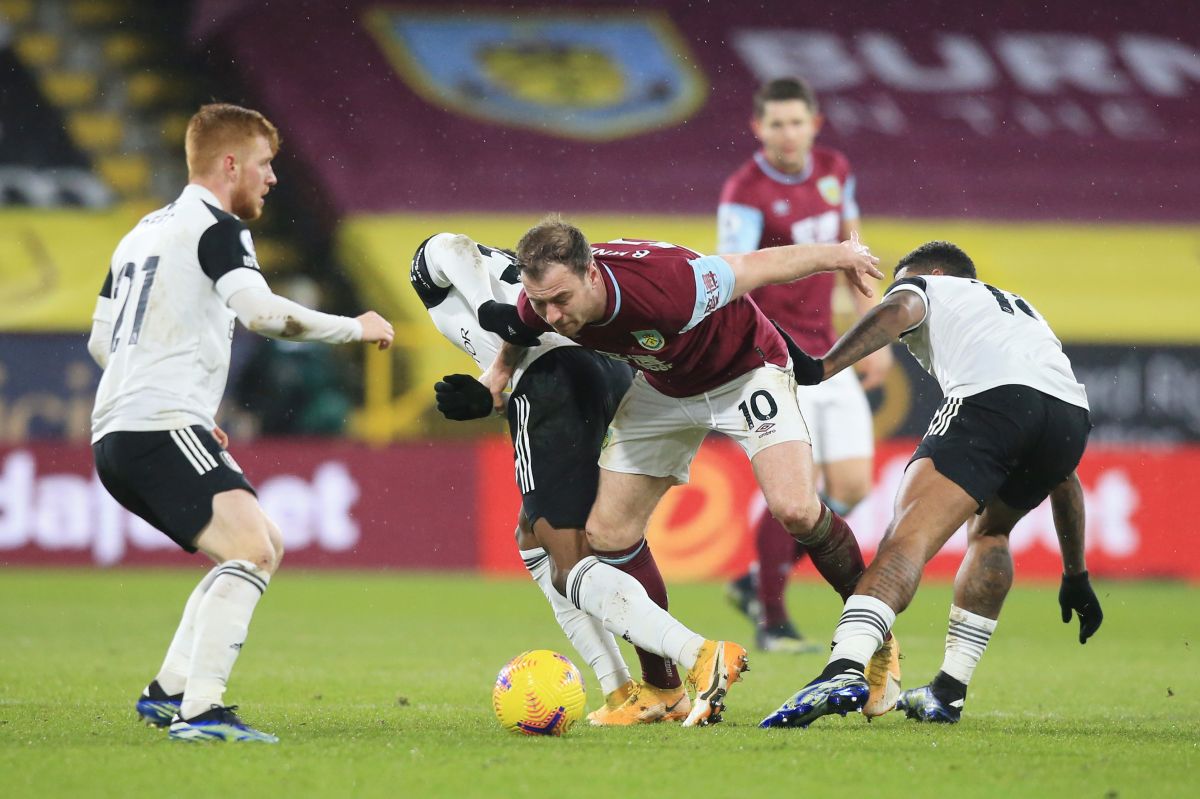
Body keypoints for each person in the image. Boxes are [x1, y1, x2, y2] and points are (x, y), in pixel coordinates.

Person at [481, 215, 889, 726]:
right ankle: (663, 690)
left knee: (796, 510)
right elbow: (521, 327)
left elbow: (756, 266)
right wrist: (499, 370)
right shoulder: (541, 299)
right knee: (607, 535)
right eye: (541, 302)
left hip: (744, 370)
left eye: (560, 299)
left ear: (590, 274)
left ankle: (875, 643)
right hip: (666, 389)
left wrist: (841, 255)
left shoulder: (669, 285)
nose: (553, 314)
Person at [87, 103, 394, 743]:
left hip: (122, 427)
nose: (271, 178)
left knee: (262, 546)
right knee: (251, 549)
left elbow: (102, 342)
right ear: (231, 164)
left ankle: (167, 692)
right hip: (155, 423)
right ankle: (201, 714)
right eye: (264, 164)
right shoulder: (218, 227)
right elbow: (262, 315)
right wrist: (354, 328)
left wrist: (186, 406)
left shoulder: (141, 231)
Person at [760, 241, 1101, 728]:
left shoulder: (928, 286)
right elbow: (1064, 480)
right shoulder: (1021, 315)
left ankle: (844, 667)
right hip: (1069, 418)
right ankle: (948, 691)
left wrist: (822, 367)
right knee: (992, 534)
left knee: (906, 542)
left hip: (991, 403)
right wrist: (1076, 575)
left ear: (936, 273)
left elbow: (901, 307)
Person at [411, 231, 689, 725]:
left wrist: (485, 312)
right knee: (540, 541)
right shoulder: (521, 285)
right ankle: (624, 688)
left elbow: (449, 245)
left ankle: (689, 662)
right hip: (605, 372)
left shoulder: (444, 273)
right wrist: (489, 376)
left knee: (569, 557)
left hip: (552, 381)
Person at [718, 76, 892, 654]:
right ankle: (771, 620)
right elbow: (733, 271)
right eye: (776, 123)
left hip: (830, 350)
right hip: (777, 355)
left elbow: (853, 257)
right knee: (799, 491)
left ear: (814, 124)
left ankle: (753, 582)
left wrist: (875, 337)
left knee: (852, 485)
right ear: (758, 128)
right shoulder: (744, 192)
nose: (787, 133)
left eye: (797, 122)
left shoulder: (835, 170)